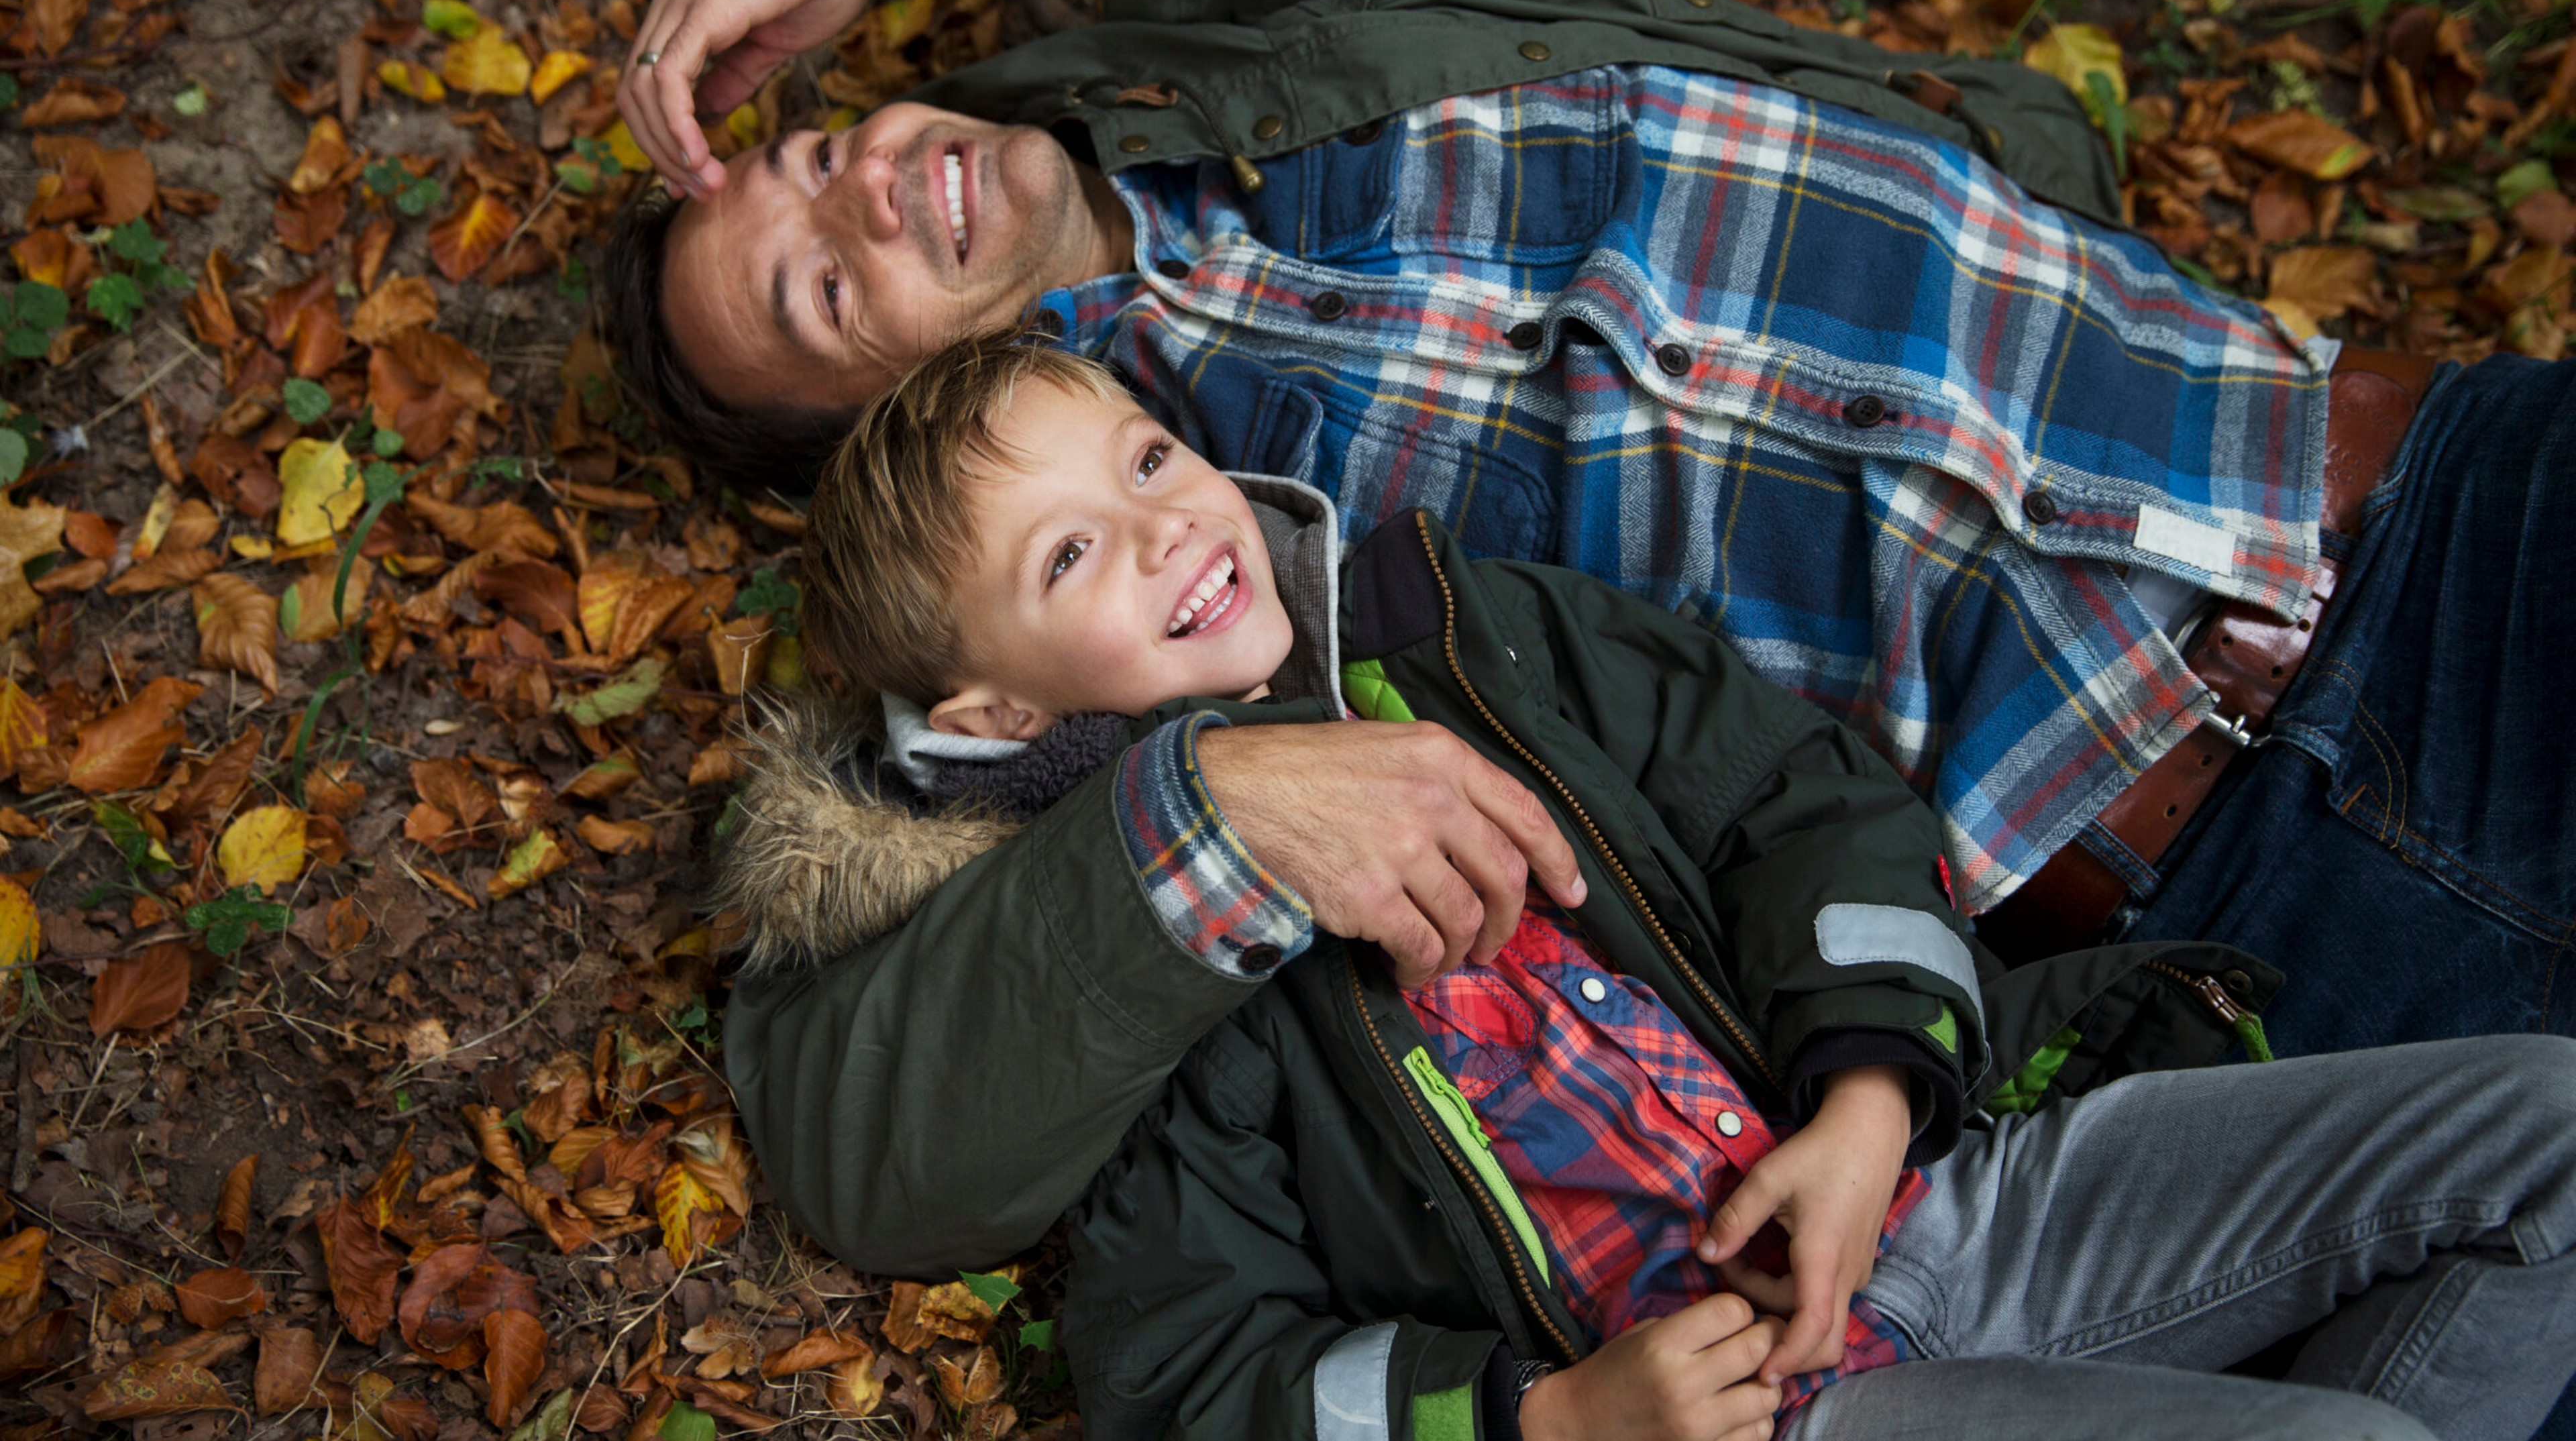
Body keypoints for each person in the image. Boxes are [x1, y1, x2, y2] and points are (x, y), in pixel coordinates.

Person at [616, 0, 2576, 1298]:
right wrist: (1198, 812)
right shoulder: (1181, 610)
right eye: (816, 287)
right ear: (880, 428)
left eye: (802, 151)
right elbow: (862, 1134)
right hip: (2239, 892)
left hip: (2433, 497)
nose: (860, 178)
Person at [719, 331, 2576, 1441]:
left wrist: (1866, 1100)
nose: (1169, 524)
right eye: (1075, 554)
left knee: (2551, 1135)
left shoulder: (1471, 622)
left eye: (1145, 454)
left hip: (1931, 1180)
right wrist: (1543, 1418)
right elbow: (1194, 1370)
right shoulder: (1113, 993)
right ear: (986, 703)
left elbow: (1803, 796)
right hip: (1740, 1399)